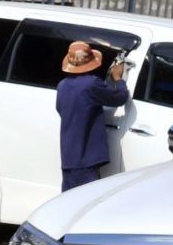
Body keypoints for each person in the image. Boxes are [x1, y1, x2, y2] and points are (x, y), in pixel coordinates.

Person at [55, 41, 131, 191]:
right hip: (86, 160)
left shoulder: (62, 86)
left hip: (68, 159)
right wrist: (118, 79)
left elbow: (60, 109)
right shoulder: (91, 84)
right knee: (87, 203)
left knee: (69, 203)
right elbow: (120, 98)